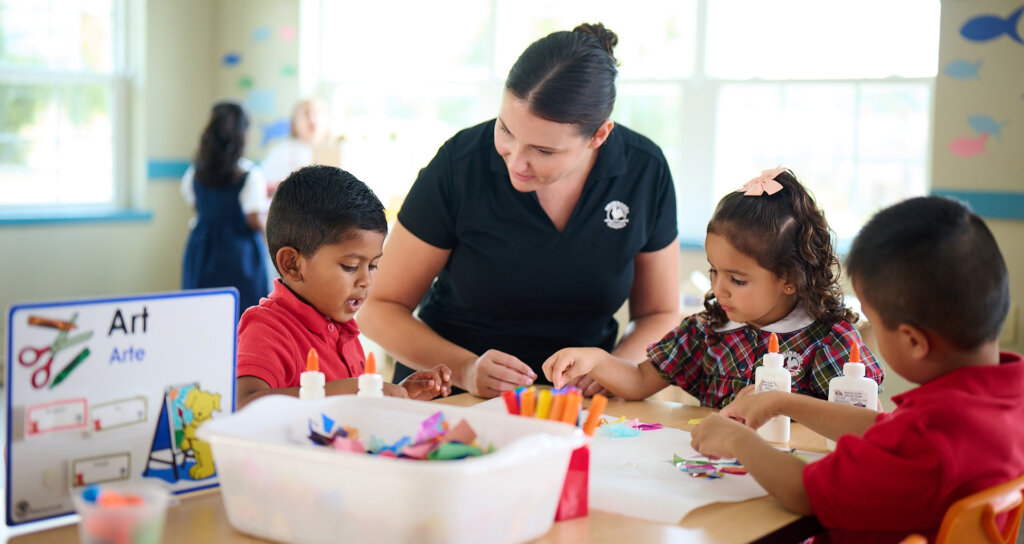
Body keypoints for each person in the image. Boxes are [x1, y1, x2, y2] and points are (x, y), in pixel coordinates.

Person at [358, 23, 681, 398]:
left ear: (599, 136)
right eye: (506, 130)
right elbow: (379, 307)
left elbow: (659, 313)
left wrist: (614, 368)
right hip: (453, 396)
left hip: (575, 405)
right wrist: (465, 369)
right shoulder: (460, 165)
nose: (516, 162)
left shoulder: (645, 170)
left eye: (543, 151)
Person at [690, 196, 1024, 543]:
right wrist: (781, 402)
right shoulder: (998, 401)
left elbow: (804, 494)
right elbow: (885, 428)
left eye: (874, 322)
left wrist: (737, 439)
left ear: (913, 341)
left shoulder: (924, 440)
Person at [544, 167, 883, 408]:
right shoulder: (708, 332)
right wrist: (596, 360)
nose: (720, 289)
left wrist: (786, 406)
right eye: (713, 272)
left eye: (737, 280)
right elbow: (639, 381)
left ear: (789, 280)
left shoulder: (827, 340)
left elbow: (858, 420)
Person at [235, 165, 452, 410]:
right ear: (293, 265)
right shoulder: (266, 328)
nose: (366, 281)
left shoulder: (344, 329)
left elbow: (344, 413)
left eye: (372, 266)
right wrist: (351, 390)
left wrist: (393, 394)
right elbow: (244, 404)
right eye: (350, 266)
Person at [181, 101, 271, 317]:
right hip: (239, 254)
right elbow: (253, 218)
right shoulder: (248, 174)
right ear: (243, 134)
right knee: (242, 314)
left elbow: (198, 205)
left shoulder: (195, 172)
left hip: (202, 250)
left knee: (203, 313)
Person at [260, 97, 330, 194]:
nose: (313, 119)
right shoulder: (280, 152)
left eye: (318, 113)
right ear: (294, 123)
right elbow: (264, 186)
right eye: (306, 113)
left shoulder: (337, 151)